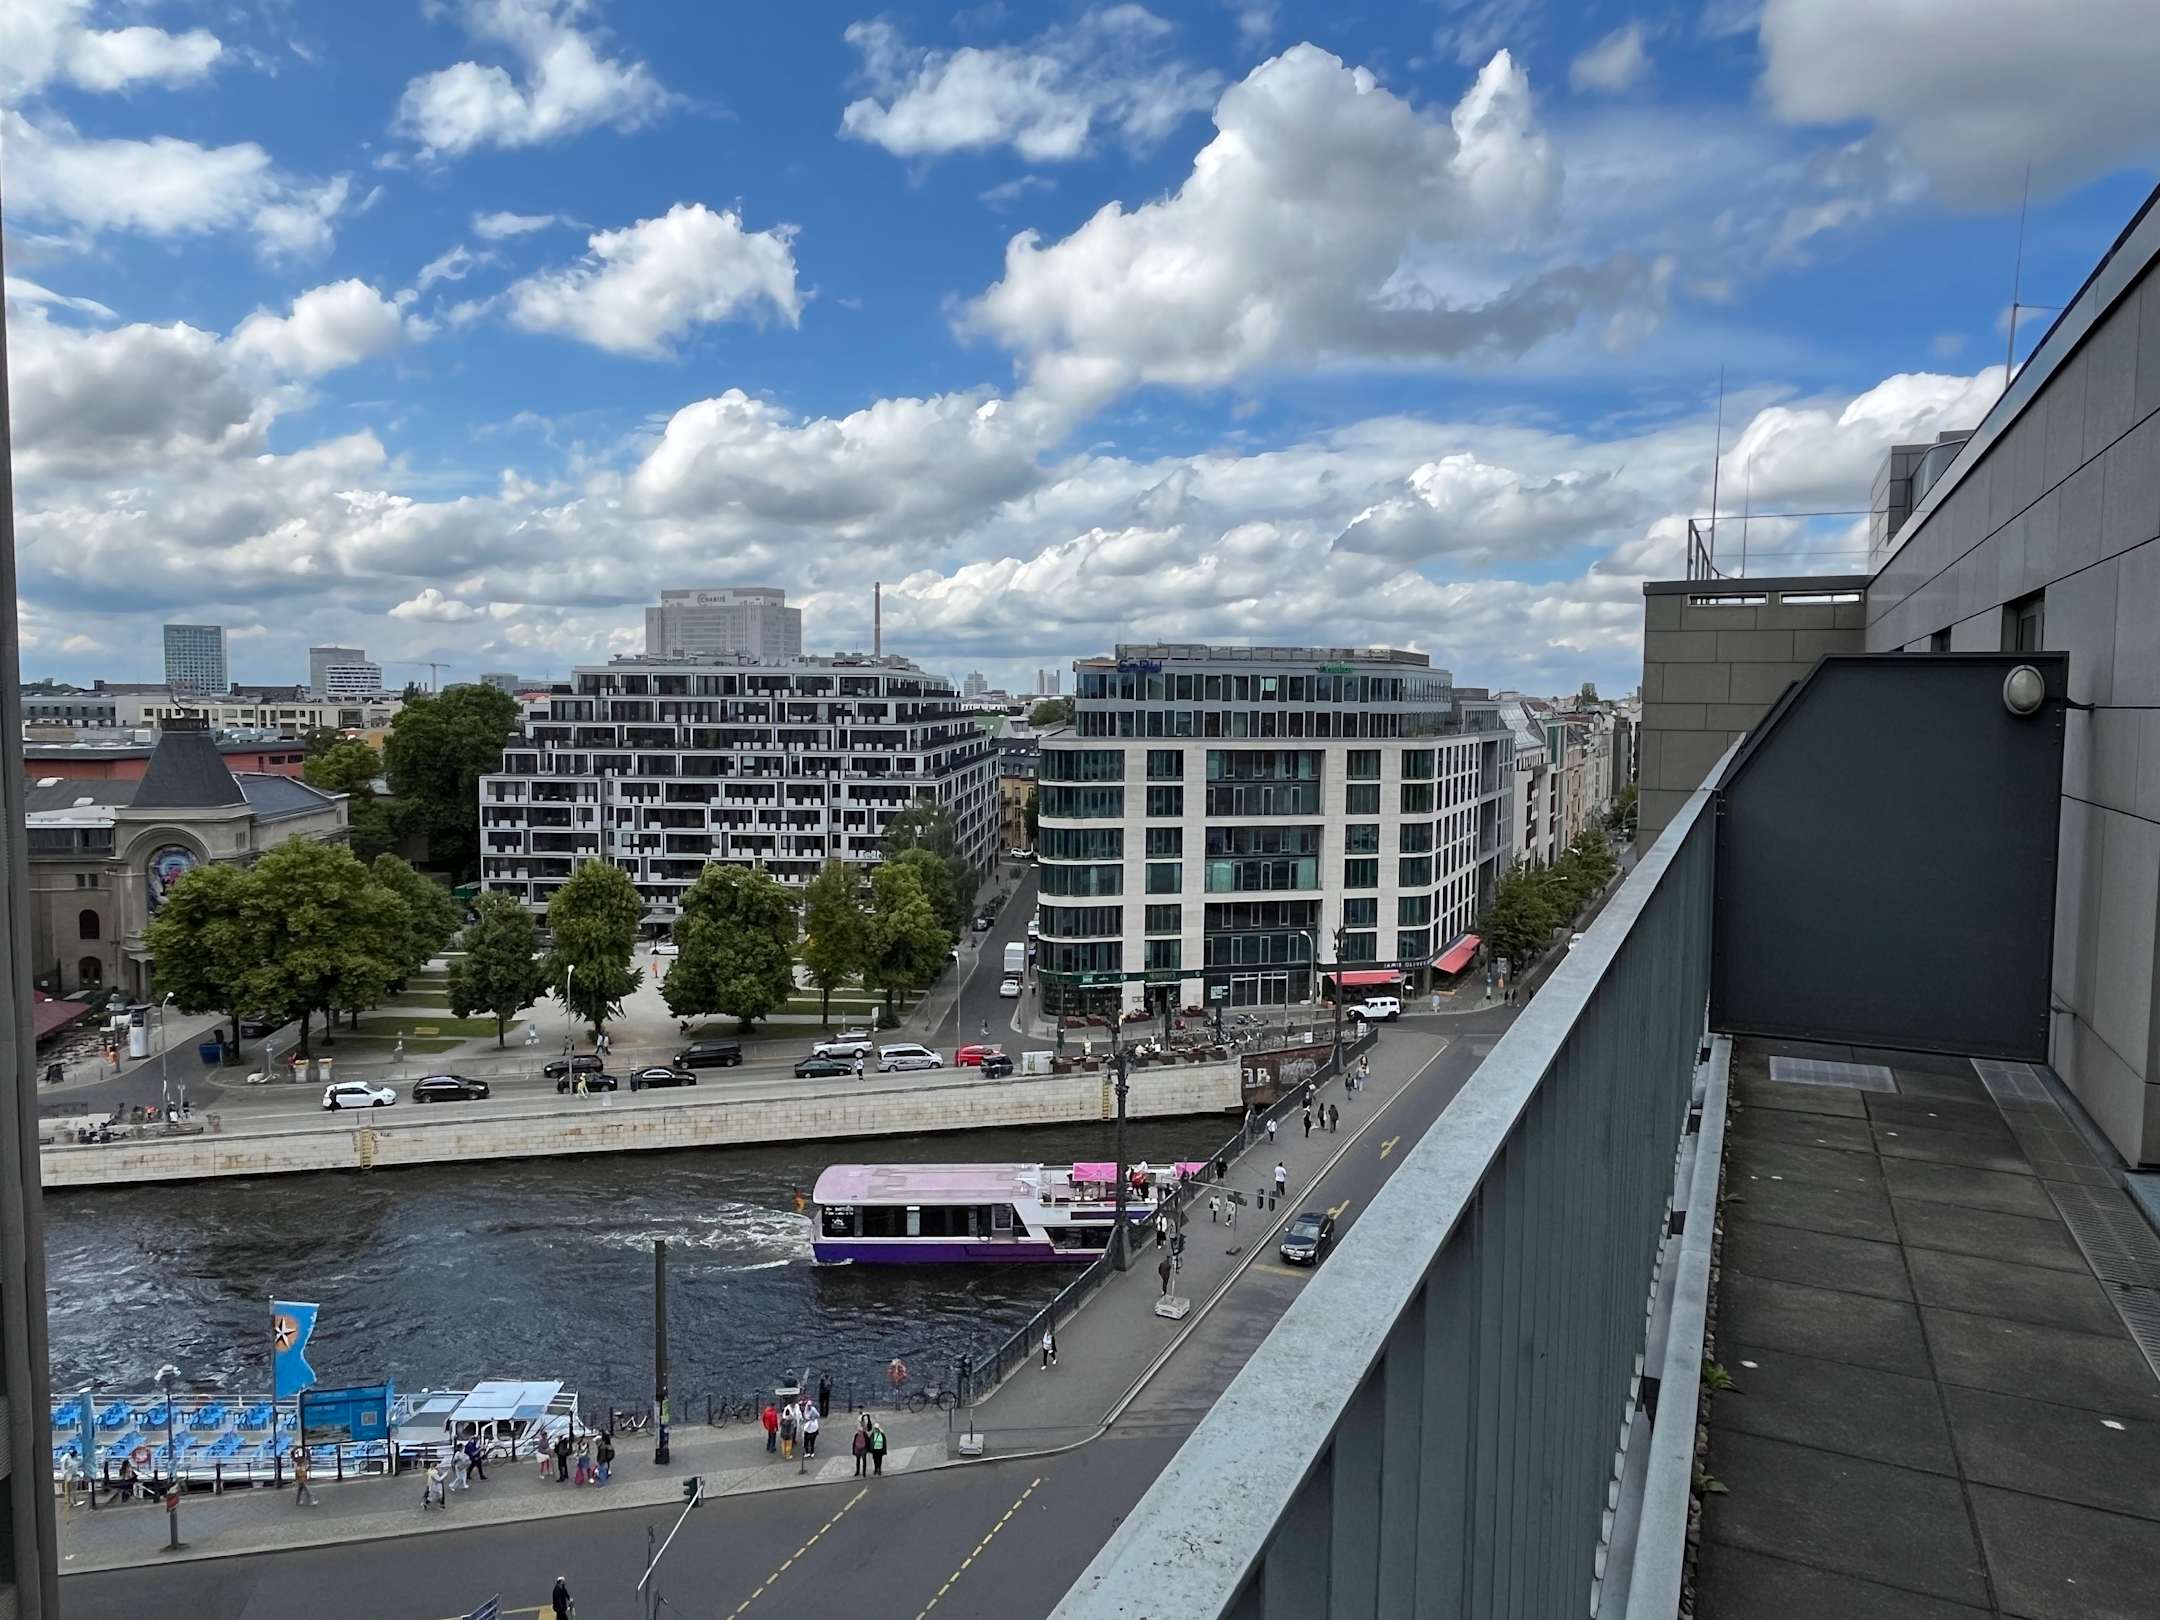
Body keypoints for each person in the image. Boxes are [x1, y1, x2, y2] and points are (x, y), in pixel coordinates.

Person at [292, 1443, 314, 1507]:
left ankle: (298, 1501)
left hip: (301, 1477)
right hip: (302, 1477)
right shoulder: (301, 1460)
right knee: (308, 1490)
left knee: (300, 1490)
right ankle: (311, 1501)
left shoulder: (300, 1460)